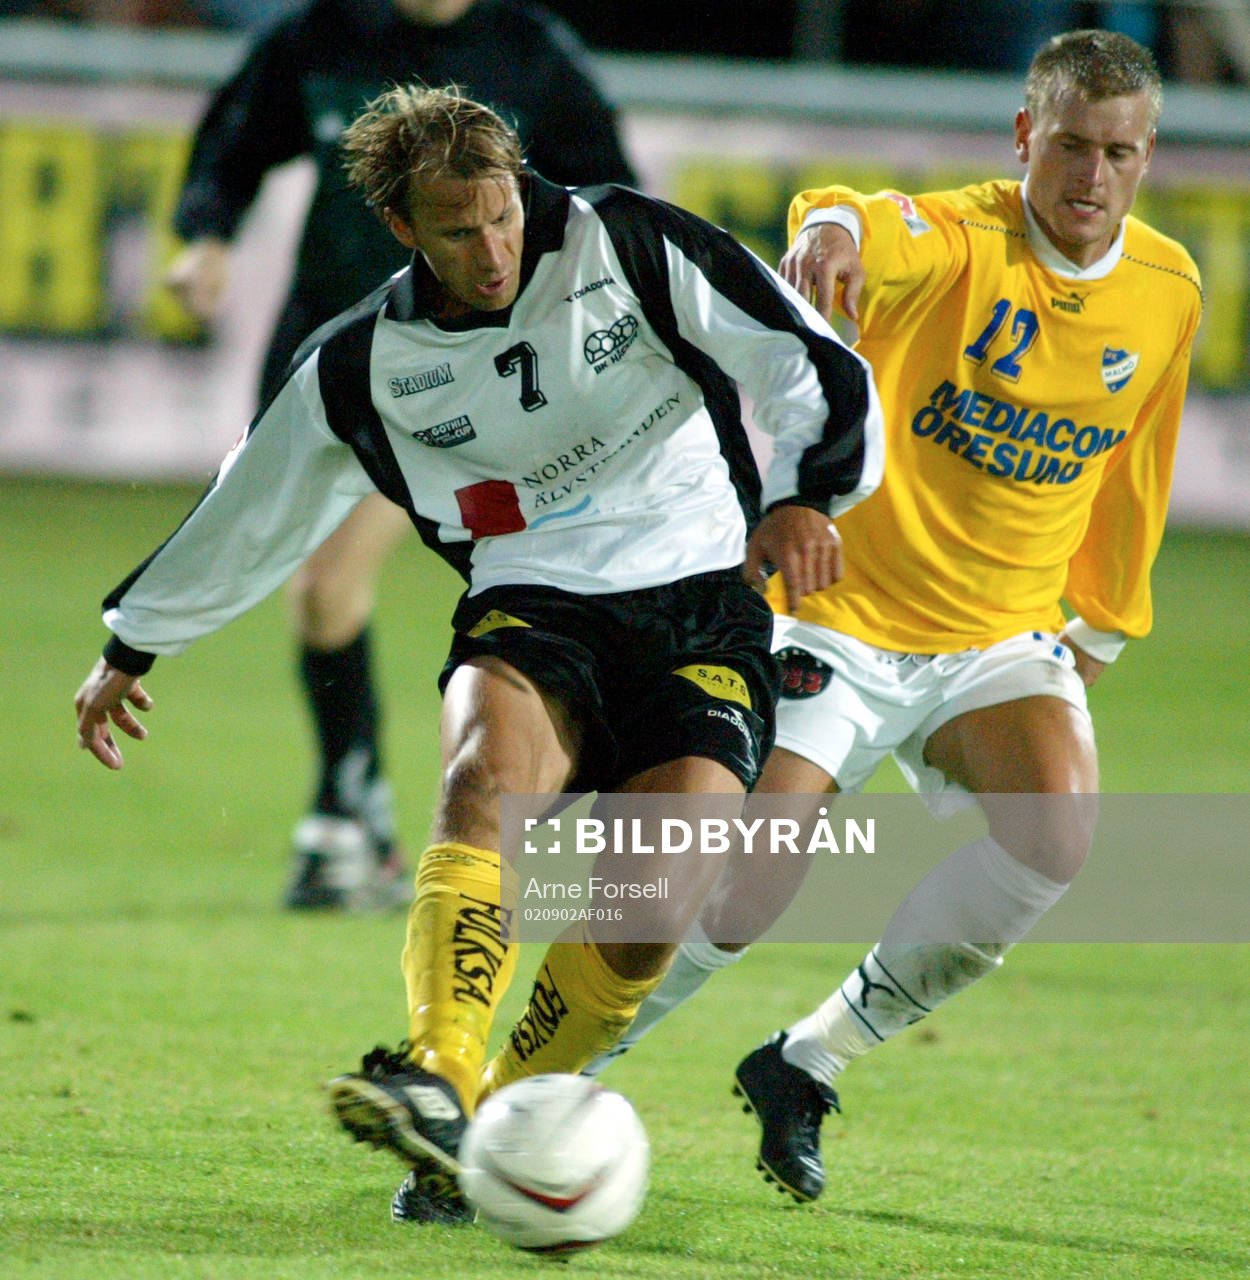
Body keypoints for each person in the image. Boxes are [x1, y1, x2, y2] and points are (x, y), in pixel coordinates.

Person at [75, 86, 885, 1224]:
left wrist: (809, 491)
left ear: (523, 186)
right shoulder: (366, 360)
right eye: (457, 228)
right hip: (531, 602)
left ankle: (487, 1125)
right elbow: (253, 500)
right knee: (480, 786)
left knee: (653, 902)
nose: (492, 247)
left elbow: (798, 355)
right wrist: (136, 641)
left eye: (501, 214)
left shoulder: (627, 243)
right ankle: (437, 1071)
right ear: (404, 228)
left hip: (700, 600)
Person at [581, 28, 1202, 1205]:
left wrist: (1101, 627)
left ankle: (802, 1062)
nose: (1088, 177)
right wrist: (823, 230)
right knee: (741, 886)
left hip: (997, 636)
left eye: (1116, 153)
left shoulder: (1165, 288)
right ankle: (551, 1070)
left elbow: (1137, 466)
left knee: (1052, 839)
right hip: (837, 616)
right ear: (1023, 136)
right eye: (1066, 144)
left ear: (1145, 154)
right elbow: (858, 214)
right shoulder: (962, 240)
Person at [164, 0, 637, 911]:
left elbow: (611, 192)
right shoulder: (319, 37)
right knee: (326, 591)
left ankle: (375, 813)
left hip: (466, 375)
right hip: (330, 360)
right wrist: (208, 237)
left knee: (353, 580)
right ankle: (360, 808)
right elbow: (234, 140)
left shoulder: (527, 51)